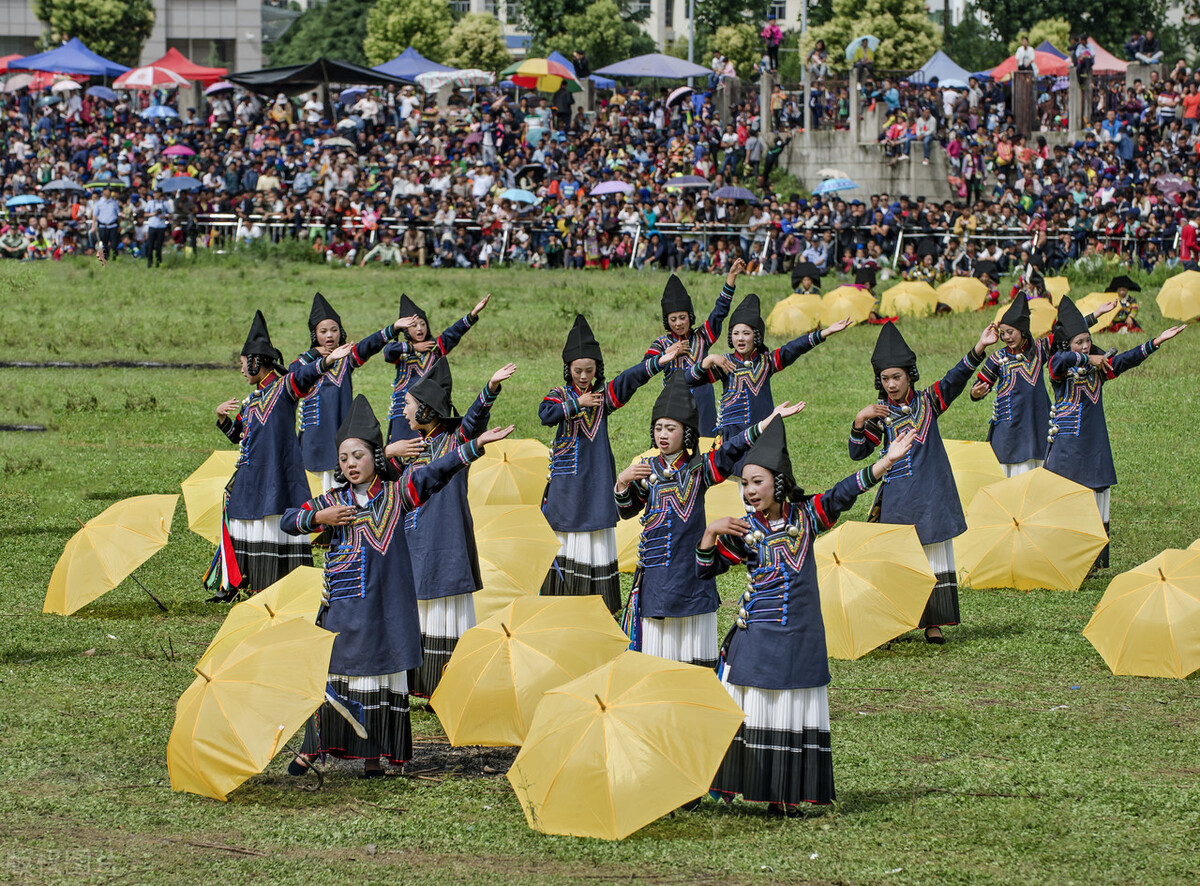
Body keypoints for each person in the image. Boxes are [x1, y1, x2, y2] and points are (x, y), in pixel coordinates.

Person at [283, 395, 513, 777]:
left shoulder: (395, 495)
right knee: (337, 674)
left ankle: (373, 756)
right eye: (343, 459)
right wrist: (319, 517)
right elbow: (289, 521)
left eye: (358, 456)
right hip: (343, 610)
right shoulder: (332, 501)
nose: (351, 464)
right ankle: (315, 748)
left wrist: (473, 447)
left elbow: (434, 472)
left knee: (378, 676)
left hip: (383, 612)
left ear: (375, 456)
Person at [698, 419, 917, 815]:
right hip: (757, 638)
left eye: (757, 482)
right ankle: (726, 786)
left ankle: (781, 795)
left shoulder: (807, 517)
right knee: (755, 708)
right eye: (744, 484)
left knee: (789, 711)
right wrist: (710, 534)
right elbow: (705, 570)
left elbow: (844, 492)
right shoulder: (744, 530)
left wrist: (886, 461)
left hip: (800, 637)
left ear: (778, 482)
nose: (749, 492)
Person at [616, 377, 805, 668]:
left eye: (671, 428)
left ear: (687, 433)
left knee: (690, 651)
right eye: (658, 428)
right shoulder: (645, 470)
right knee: (657, 654)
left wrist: (765, 423)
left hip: (691, 575)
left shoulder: (700, 468)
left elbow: (731, 450)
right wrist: (622, 482)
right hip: (656, 579)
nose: (663, 434)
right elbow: (627, 511)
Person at [849, 320, 998, 643]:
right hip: (898, 499)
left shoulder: (929, 401)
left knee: (933, 556)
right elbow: (858, 454)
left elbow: (956, 379)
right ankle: (897, 620)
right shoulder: (880, 414)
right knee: (899, 558)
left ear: (909, 375)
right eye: (885, 378)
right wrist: (860, 421)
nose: (891, 384)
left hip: (932, 495)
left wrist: (980, 347)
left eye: (897, 377)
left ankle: (933, 623)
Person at [539, 315, 687, 612]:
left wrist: (658, 363)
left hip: (595, 484)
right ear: (568, 369)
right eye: (578, 370)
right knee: (565, 537)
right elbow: (546, 415)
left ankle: (595, 610)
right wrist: (576, 405)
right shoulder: (559, 396)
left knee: (595, 539)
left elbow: (629, 380)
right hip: (566, 490)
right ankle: (560, 607)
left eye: (589, 370)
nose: (583, 376)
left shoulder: (603, 397)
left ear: (597, 369)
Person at [205, 311, 356, 600]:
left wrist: (326, 360)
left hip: (276, 477)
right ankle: (236, 584)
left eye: (242, 364)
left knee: (273, 524)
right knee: (240, 520)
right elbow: (241, 436)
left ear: (254, 362)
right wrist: (223, 418)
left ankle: (273, 587)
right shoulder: (252, 401)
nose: (240, 371)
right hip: (250, 478)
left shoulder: (284, 388)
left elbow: (305, 375)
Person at [391, 358, 516, 697]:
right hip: (414, 538)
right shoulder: (408, 447)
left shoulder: (454, 440)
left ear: (426, 411)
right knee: (418, 605)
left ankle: (448, 686)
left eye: (408, 405)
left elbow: (474, 420)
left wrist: (490, 388)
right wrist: (389, 449)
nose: (402, 411)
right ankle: (417, 683)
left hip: (446, 537)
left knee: (445, 609)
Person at [1044, 297, 1185, 568]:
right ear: (1068, 345)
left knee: (1095, 496)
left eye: (1088, 340)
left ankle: (1092, 561)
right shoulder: (1058, 367)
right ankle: (1064, 557)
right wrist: (1089, 353)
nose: (1086, 345)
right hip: (1067, 449)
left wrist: (1156, 342)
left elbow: (1128, 360)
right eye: (1079, 342)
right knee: (1067, 498)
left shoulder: (1100, 370)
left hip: (1094, 444)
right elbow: (1060, 358)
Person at [970, 296, 1113, 477]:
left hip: (1037, 424)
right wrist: (976, 393)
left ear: (1022, 330)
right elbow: (979, 386)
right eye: (1003, 333)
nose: (1006, 337)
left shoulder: (1039, 350)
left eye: (1010, 332)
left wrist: (1096, 314)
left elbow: (1070, 331)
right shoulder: (997, 359)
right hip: (1009, 431)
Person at [686, 293, 851, 444]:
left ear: (756, 335)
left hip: (763, 435)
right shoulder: (725, 363)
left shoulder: (767, 362)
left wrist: (824, 333)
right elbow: (688, 381)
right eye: (736, 333)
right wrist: (706, 361)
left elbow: (794, 348)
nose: (740, 338)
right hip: (733, 438)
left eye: (746, 333)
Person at [291, 292, 408, 492]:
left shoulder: (347, 358)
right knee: (315, 489)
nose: (329, 335)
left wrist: (393, 328)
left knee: (342, 481)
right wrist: (315, 354)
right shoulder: (305, 362)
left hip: (341, 433)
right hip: (315, 438)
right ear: (315, 335)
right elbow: (292, 375)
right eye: (323, 331)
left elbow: (368, 345)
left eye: (334, 330)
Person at [644, 260, 742, 443]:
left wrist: (731, 278)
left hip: (703, 398)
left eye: (682, 317)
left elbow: (719, 312)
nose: (679, 323)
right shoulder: (661, 343)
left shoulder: (702, 336)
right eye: (673, 319)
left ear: (690, 317)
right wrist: (666, 354)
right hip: (674, 399)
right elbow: (644, 367)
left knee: (706, 443)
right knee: (674, 443)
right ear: (667, 321)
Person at [383, 293, 489, 443]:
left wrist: (472, 315)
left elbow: (453, 333)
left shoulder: (435, 347)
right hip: (403, 410)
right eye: (414, 325)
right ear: (406, 329)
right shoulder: (401, 351)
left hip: (428, 409)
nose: (419, 328)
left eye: (423, 324)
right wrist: (413, 347)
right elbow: (388, 352)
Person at [144, 191, 171, 268]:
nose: (155, 195)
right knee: (150, 245)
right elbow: (145, 213)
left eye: (156, 193)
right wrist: (153, 214)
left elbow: (170, 214)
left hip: (161, 226)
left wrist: (164, 216)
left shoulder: (165, 203)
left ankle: (158, 261)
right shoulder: (150, 202)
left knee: (159, 246)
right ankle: (150, 261)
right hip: (152, 226)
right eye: (154, 193)